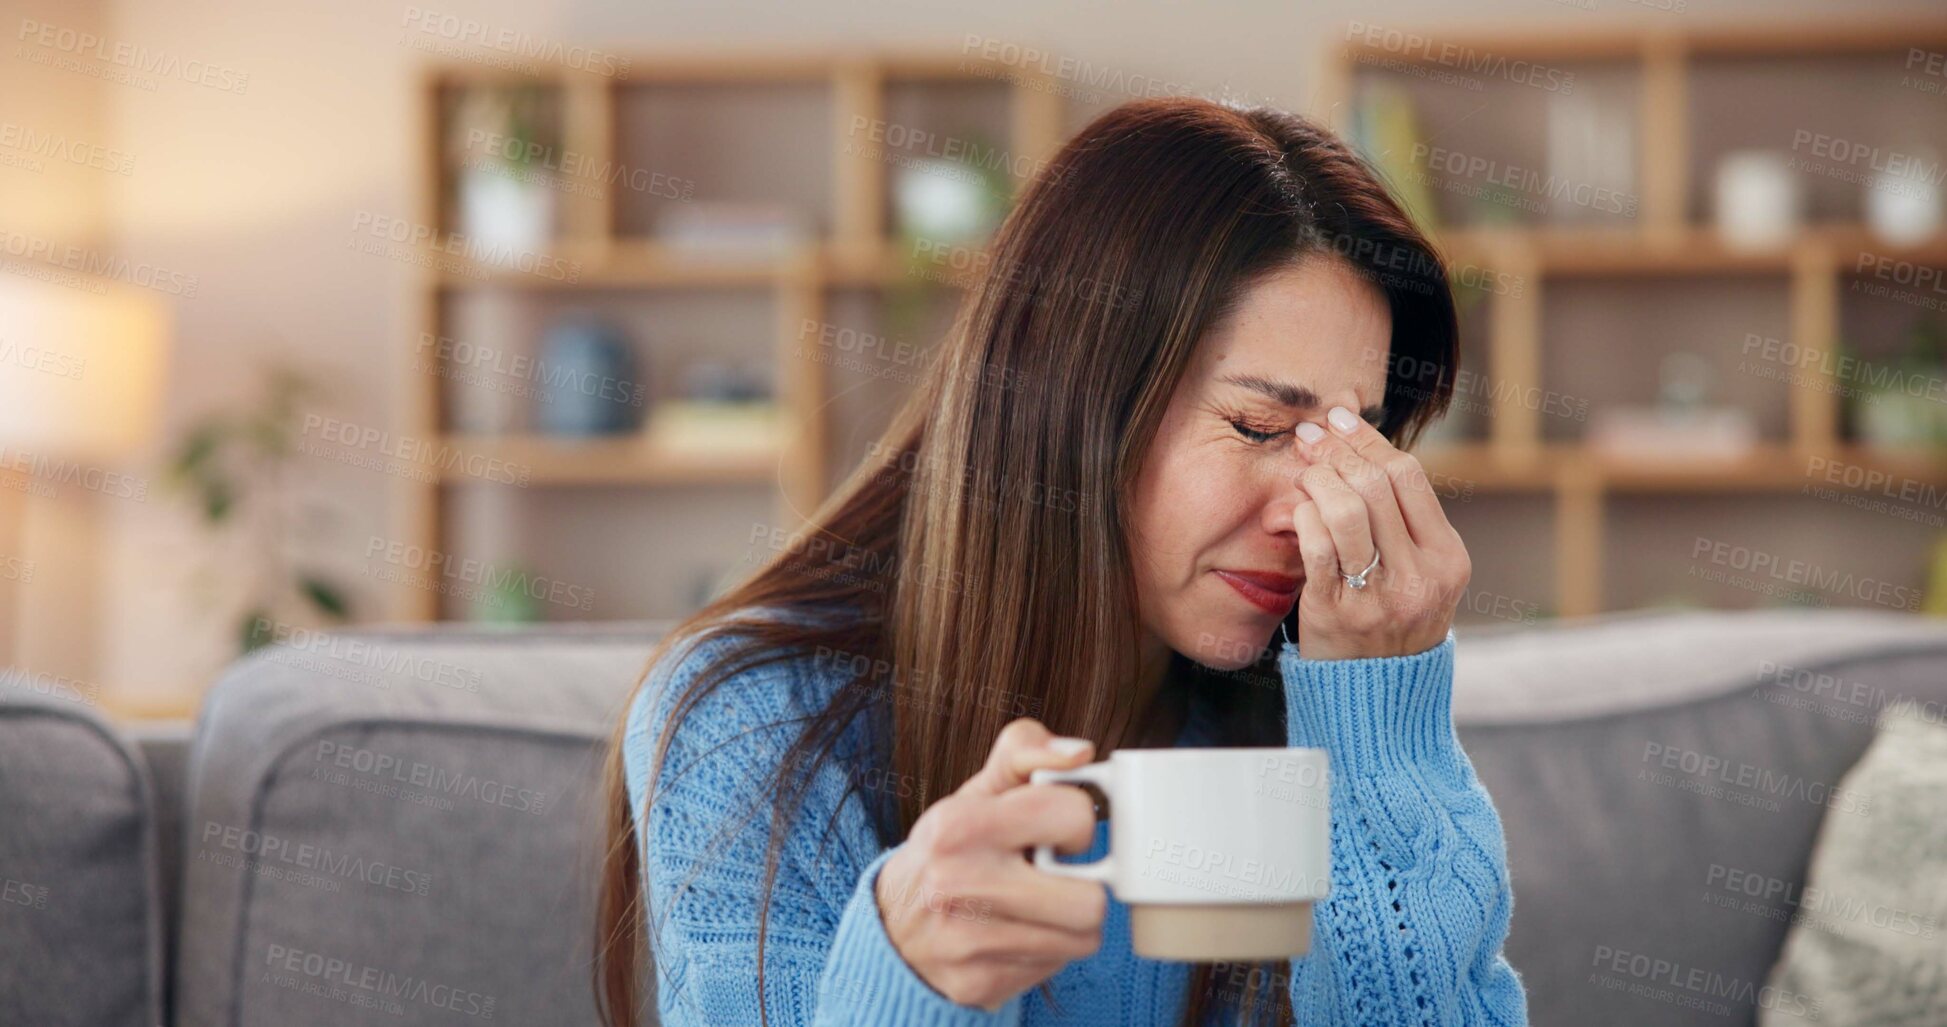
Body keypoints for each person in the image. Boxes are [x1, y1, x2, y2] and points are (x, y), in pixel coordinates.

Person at [595, 96, 1529, 1026]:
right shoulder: (754, 721)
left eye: (1356, 444)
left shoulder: (1307, 709)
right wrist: (909, 981)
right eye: (1256, 425)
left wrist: (1377, 724)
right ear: (1070, 398)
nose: (1312, 514)